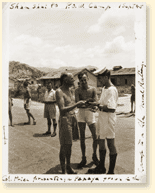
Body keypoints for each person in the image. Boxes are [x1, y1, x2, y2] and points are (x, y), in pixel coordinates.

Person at [87, 69, 118, 174]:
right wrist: (95, 106)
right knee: (101, 142)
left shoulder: (112, 90)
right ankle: (101, 167)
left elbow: (111, 108)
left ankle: (111, 171)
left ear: (106, 77)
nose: (99, 80)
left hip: (109, 120)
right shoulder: (105, 88)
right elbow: (102, 103)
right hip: (102, 118)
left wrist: (98, 106)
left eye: (100, 78)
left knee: (110, 144)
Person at [56, 72, 85, 174]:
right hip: (65, 119)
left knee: (70, 145)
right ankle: (63, 171)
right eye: (72, 79)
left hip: (72, 118)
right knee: (64, 146)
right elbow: (62, 109)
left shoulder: (71, 90)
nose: (74, 80)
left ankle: (68, 167)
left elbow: (72, 103)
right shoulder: (59, 91)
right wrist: (77, 104)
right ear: (65, 80)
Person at [75, 72, 99, 168]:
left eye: (85, 79)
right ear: (79, 81)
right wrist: (90, 103)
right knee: (82, 137)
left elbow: (96, 102)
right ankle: (83, 158)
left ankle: (94, 155)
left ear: (88, 79)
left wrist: (89, 104)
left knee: (95, 136)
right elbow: (77, 103)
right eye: (82, 80)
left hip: (90, 113)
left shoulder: (93, 89)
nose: (84, 82)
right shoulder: (77, 90)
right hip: (81, 114)